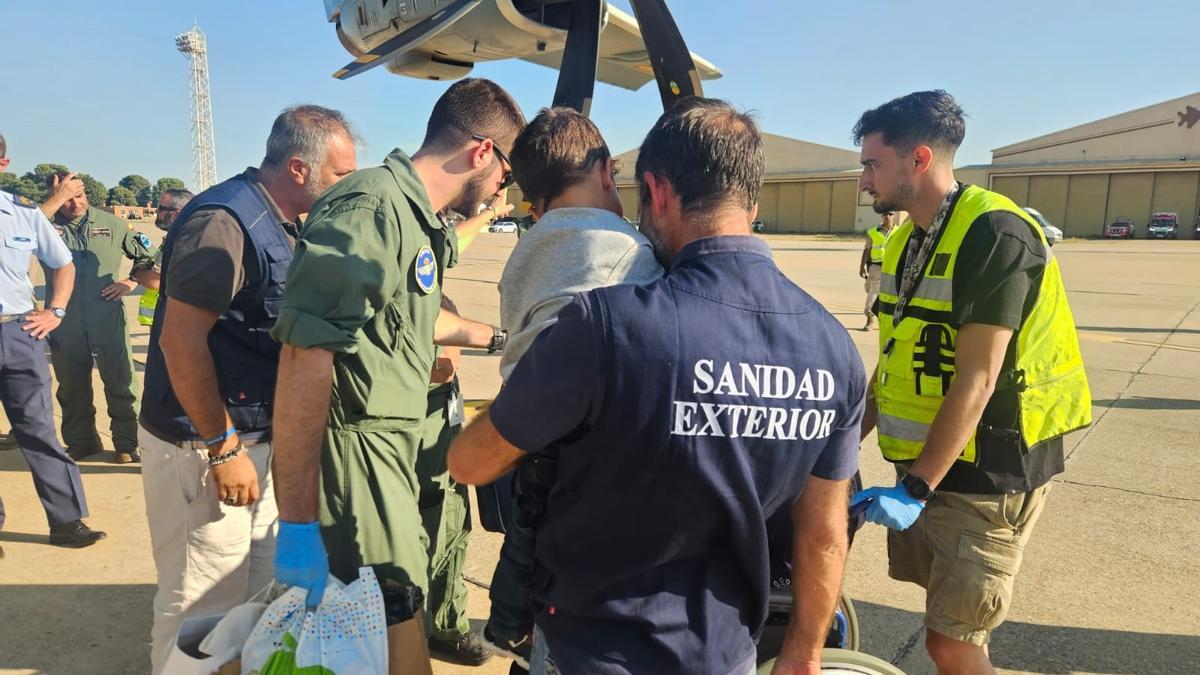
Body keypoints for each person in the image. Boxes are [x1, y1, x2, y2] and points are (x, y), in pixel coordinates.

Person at [448, 98, 866, 675]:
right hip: (724, 653)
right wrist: (804, 651)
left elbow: (471, 462)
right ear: (752, 196)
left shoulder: (605, 326)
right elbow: (823, 533)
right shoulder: (834, 350)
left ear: (658, 191)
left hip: (592, 649)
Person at [269, 78, 524, 668]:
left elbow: (409, 311)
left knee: (390, 610)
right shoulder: (371, 210)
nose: (500, 188)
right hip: (357, 453)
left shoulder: (417, 218)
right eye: (505, 172)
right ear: (482, 152)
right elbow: (303, 359)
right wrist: (299, 521)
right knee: (388, 614)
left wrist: (497, 339)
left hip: (394, 445)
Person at [850, 90, 1092, 674]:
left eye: (871, 164)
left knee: (951, 643)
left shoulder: (996, 234)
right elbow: (895, 359)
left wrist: (914, 490)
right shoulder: (908, 239)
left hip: (987, 472)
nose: (862, 182)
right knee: (957, 632)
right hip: (932, 466)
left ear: (919, 159)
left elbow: (979, 377)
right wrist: (838, 440)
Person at [137, 105, 357, 675]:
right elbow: (180, 344)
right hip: (206, 447)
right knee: (201, 604)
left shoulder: (281, 223)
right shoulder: (225, 223)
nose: (346, 188)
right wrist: (223, 446)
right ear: (299, 169)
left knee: (250, 595)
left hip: (255, 440)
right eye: (339, 175)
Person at [482, 106, 663, 668]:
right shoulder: (627, 254)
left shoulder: (529, 252)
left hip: (526, 459)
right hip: (590, 484)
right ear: (606, 171)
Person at [0, 133, 104, 548]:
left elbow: (62, 264)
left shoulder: (23, 214)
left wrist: (56, 311)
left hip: (18, 332)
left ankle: (66, 521)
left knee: (39, 428)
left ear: (3, 164)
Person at [41, 172, 157, 464]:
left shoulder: (112, 224)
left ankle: (127, 443)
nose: (75, 204)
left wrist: (129, 283)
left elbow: (148, 256)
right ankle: (82, 441)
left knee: (121, 380)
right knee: (71, 384)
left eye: (80, 196)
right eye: (66, 199)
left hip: (106, 316)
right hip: (63, 320)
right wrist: (51, 205)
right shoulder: (42, 226)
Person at [136, 189, 194, 327]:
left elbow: (156, 282)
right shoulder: (179, 237)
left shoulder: (182, 241)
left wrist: (138, 272)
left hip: (175, 321)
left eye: (162, 208)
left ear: (177, 213)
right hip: (167, 319)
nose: (157, 212)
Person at [859, 210, 894, 331]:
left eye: (890, 214)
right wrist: (862, 266)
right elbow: (867, 250)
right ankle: (870, 319)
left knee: (893, 294)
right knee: (873, 293)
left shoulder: (898, 232)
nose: (888, 217)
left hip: (892, 268)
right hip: (876, 267)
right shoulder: (873, 232)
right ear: (882, 216)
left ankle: (890, 321)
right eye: (885, 215)